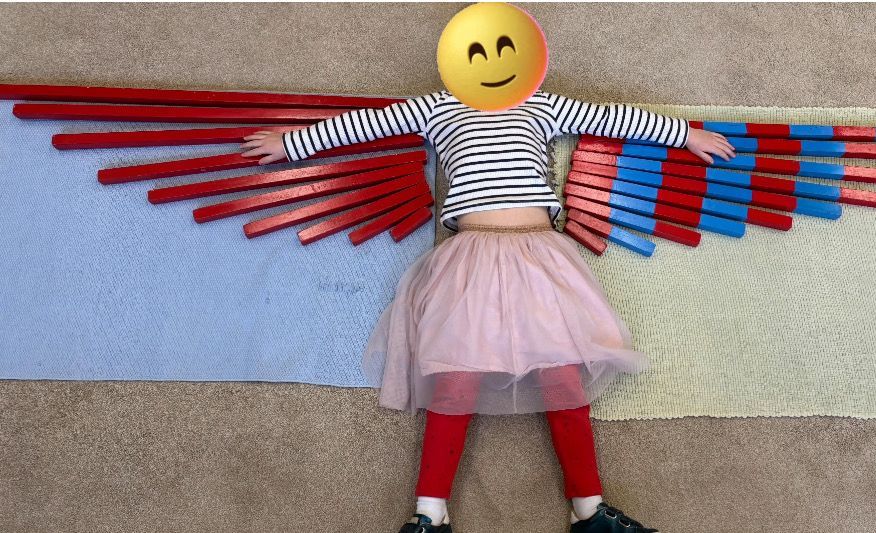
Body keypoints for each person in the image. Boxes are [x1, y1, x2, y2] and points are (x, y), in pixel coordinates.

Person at [241, 88, 733, 532]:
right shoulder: (436, 106)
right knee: (455, 377)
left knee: (562, 377)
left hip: (539, 254)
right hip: (471, 258)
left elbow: (606, 118)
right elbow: (372, 124)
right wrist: (294, 143)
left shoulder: (541, 102)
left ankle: (589, 510)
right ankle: (430, 513)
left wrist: (683, 133)